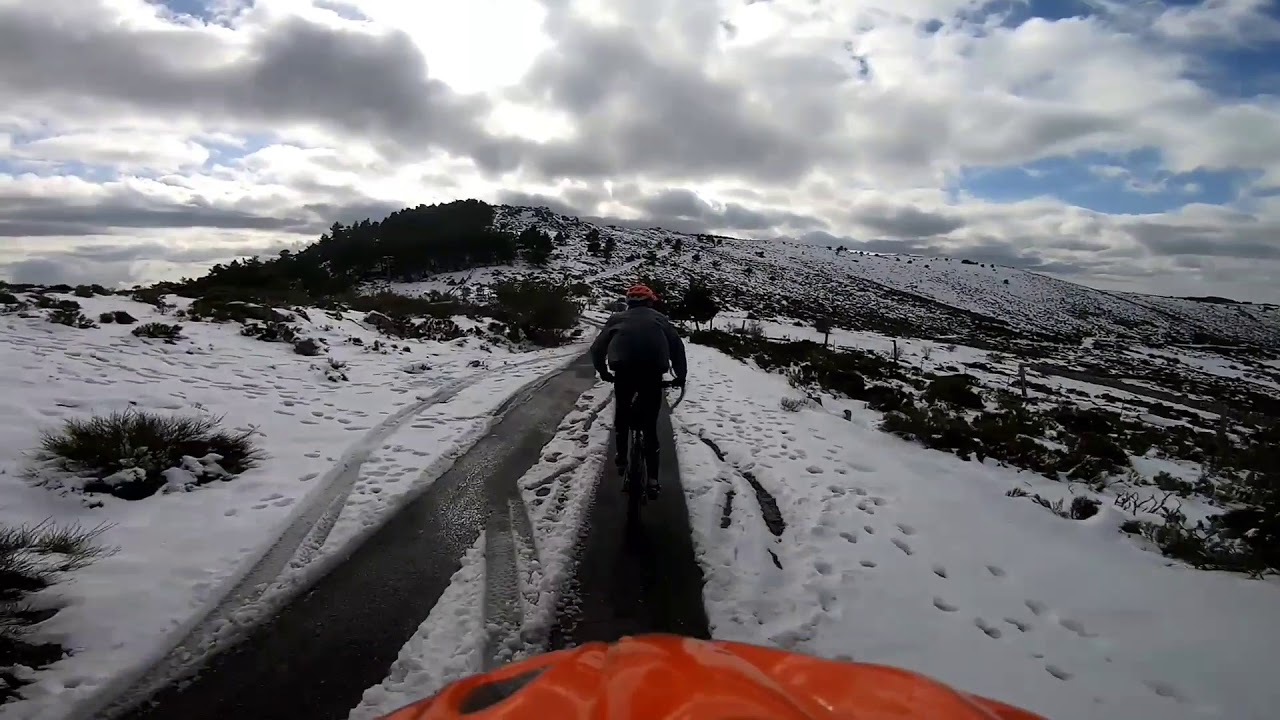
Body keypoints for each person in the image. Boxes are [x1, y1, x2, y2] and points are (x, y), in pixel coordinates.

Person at [376, 634, 1047, 719]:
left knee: (626, 412)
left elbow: (610, 354)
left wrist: (614, 372)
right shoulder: (661, 325)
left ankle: (623, 443)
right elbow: (677, 360)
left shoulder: (622, 324)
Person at [590, 283, 687, 495]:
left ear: (628, 302)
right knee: (650, 425)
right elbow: (677, 349)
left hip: (623, 371)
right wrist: (680, 377)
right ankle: (652, 479)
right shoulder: (660, 319)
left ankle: (622, 457)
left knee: (623, 414)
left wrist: (603, 372)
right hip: (652, 373)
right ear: (651, 301)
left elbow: (597, 349)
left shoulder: (616, 319)